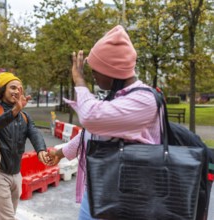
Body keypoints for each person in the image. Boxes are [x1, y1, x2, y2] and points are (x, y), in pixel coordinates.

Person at [48, 25, 161, 219]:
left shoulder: (145, 100)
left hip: (126, 201)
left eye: (95, 70)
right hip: (99, 191)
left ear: (112, 71)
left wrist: (79, 81)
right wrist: (61, 153)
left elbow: (91, 118)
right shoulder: (117, 96)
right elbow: (92, 133)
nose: (92, 74)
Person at [0, 72, 50, 220]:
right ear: (3, 90)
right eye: (12, 88)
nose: (17, 91)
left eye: (20, 88)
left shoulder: (24, 116)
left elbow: (34, 132)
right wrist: (14, 111)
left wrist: (41, 149)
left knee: (8, 214)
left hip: (16, 175)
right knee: (8, 217)